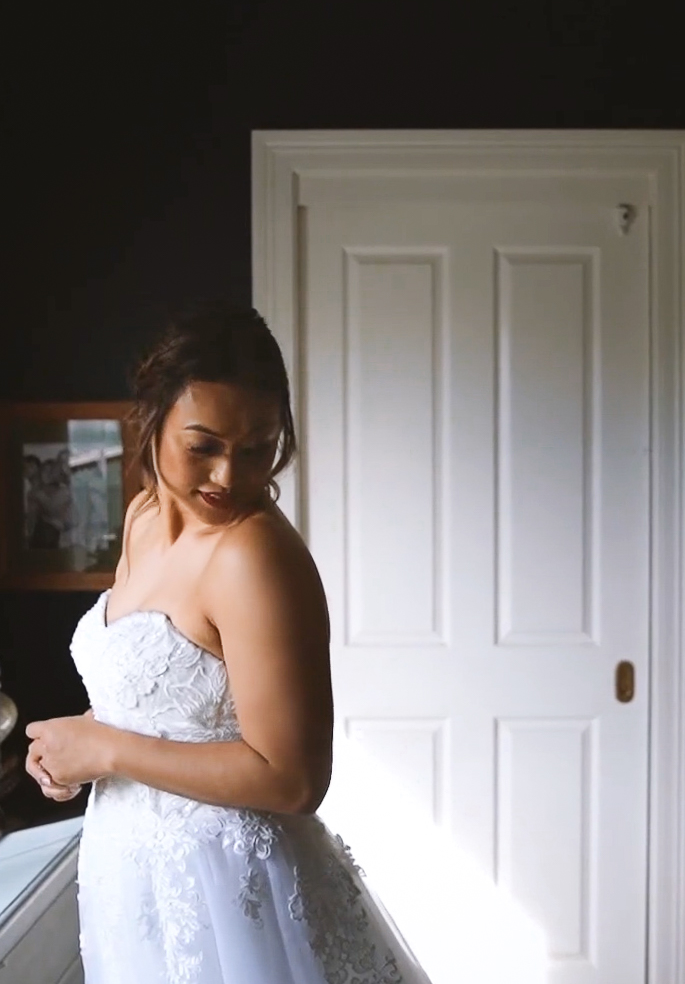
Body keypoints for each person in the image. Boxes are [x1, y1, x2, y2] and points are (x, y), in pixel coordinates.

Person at [24, 302, 427, 984]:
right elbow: (169, 696)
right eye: (203, 446)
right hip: (133, 874)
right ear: (151, 418)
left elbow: (293, 778)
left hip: (228, 893)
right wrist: (78, 745)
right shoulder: (143, 514)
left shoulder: (253, 557)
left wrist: (107, 749)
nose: (227, 477)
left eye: (257, 448)